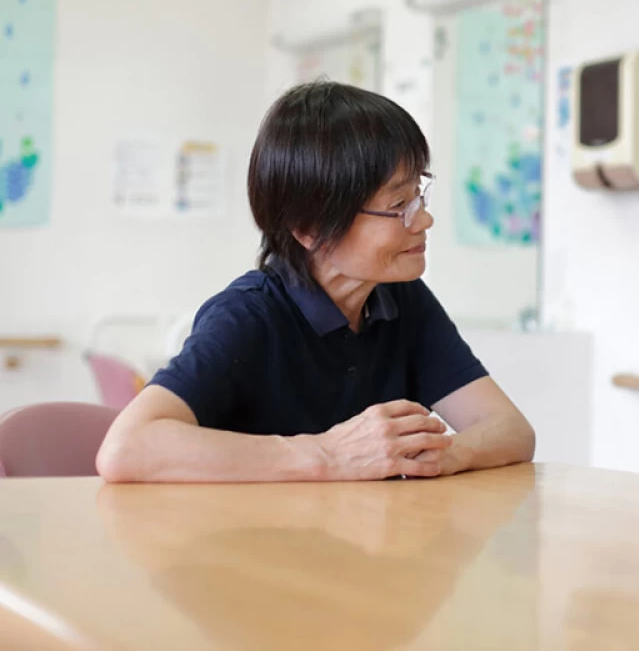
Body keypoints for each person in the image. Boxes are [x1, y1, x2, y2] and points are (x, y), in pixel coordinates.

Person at [97, 82, 535, 482]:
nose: (423, 219)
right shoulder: (248, 315)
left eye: (419, 195)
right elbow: (125, 449)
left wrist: (444, 454)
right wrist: (327, 455)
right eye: (398, 203)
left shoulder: (401, 299)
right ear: (309, 227)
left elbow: (511, 430)